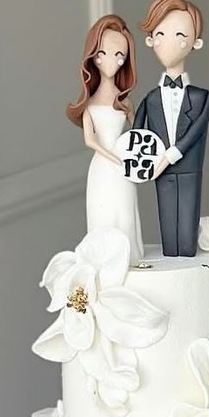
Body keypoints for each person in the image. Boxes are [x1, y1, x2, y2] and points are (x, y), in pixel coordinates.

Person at [134, 0, 209, 258]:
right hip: (160, 172)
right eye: (160, 34)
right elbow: (138, 134)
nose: (168, 42)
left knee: (187, 231)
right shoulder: (150, 99)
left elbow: (197, 129)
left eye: (180, 35)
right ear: (150, 40)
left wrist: (171, 154)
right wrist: (137, 164)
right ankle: (173, 255)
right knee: (168, 225)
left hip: (189, 168)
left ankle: (186, 254)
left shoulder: (203, 98)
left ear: (196, 42)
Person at [67, 14, 143, 263]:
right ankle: (104, 261)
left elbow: (140, 129)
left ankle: (129, 257)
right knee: (104, 211)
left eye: (120, 55)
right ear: (93, 56)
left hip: (123, 166)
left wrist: (137, 154)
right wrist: (113, 157)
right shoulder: (89, 104)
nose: (112, 60)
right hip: (103, 166)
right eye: (103, 53)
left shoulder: (125, 102)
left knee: (124, 211)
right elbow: (89, 140)